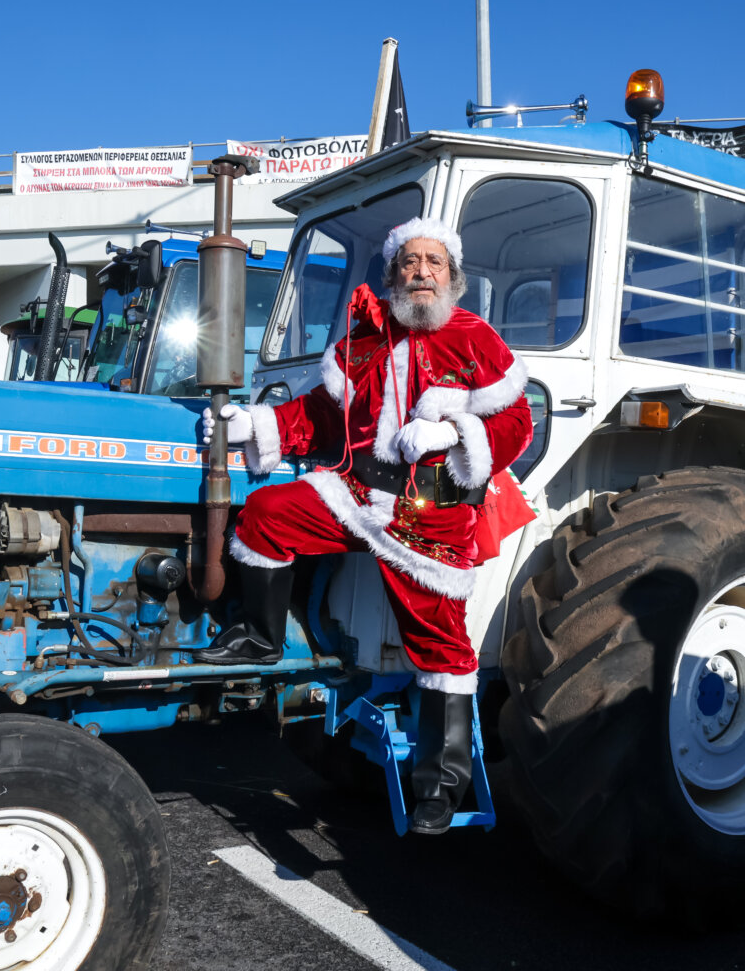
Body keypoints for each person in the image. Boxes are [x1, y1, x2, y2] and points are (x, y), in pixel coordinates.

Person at [197, 217, 534, 833]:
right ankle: (260, 637)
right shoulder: (365, 339)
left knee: (441, 645)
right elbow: (326, 415)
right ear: (393, 275)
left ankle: (441, 784)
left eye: (434, 262)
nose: (421, 271)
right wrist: (262, 425)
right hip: (356, 494)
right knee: (267, 514)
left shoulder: (475, 338)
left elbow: (516, 424)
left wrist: (454, 432)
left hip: (430, 508)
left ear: (452, 277)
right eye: (410, 261)